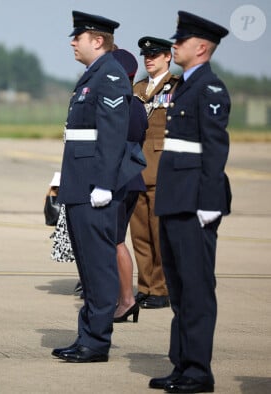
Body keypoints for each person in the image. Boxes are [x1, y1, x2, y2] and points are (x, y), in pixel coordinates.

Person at [51, 11, 141, 363]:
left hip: (94, 188)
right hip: (80, 183)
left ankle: (96, 342)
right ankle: (87, 335)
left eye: (79, 36)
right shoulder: (94, 75)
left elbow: (113, 136)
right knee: (88, 266)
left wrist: (104, 184)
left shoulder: (112, 76)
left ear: (98, 40)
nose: (73, 42)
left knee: (99, 265)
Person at [149, 11, 231, 393]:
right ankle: (182, 364)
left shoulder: (210, 89)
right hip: (175, 199)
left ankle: (199, 371)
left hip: (196, 202)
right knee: (179, 291)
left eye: (179, 42)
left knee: (196, 289)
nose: (173, 46)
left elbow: (215, 149)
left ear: (201, 47)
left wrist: (211, 201)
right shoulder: (184, 86)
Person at [130, 36, 180, 310]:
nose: (149, 59)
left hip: (162, 170)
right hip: (136, 170)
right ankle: (145, 286)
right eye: (146, 55)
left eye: (155, 55)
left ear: (168, 57)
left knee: (160, 233)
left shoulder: (177, 86)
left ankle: (160, 289)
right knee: (139, 234)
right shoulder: (136, 87)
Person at [110, 48, 148, 323]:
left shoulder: (118, 102)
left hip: (115, 181)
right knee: (117, 241)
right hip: (133, 178)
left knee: (114, 242)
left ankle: (125, 299)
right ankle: (123, 299)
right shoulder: (137, 105)